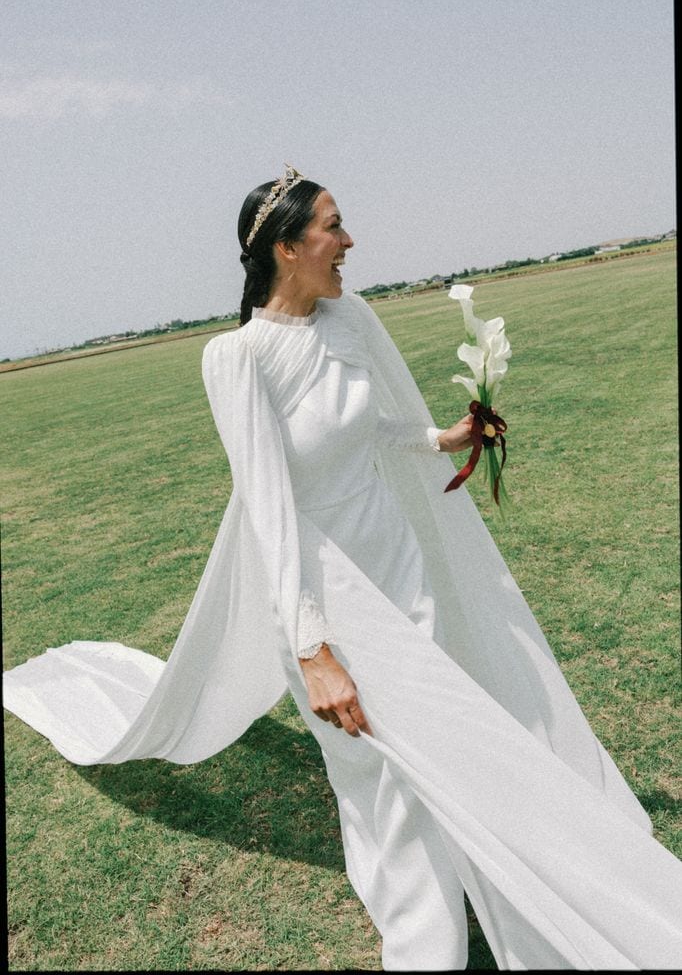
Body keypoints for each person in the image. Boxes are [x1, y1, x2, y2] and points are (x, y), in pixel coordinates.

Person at [4, 165, 682, 971]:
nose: (350, 240)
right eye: (332, 226)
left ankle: (510, 876)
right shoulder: (237, 358)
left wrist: (440, 439)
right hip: (320, 591)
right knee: (374, 771)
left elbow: (372, 429)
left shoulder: (349, 318)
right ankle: (424, 944)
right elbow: (267, 505)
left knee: (442, 743)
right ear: (287, 248)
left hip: (398, 563)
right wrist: (312, 649)